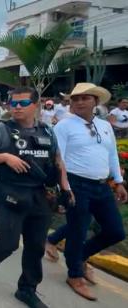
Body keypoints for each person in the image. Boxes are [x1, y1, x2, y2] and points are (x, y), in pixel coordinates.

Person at [0, 87, 72, 308]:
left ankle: (27, 289)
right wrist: (6, 156)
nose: (16, 107)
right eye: (13, 103)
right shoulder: (1, 129)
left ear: (35, 105)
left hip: (38, 195)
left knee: (36, 246)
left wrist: (66, 188)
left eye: (22, 103)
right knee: (7, 243)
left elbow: (58, 161)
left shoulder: (47, 131)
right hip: (10, 192)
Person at [54, 83, 127, 301]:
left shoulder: (105, 126)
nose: (79, 102)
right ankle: (75, 274)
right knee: (78, 230)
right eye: (75, 99)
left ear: (95, 101)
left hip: (101, 185)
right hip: (76, 184)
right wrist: (64, 189)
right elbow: (59, 160)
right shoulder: (64, 126)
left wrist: (119, 182)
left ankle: (79, 256)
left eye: (84, 98)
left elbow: (112, 154)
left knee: (115, 231)